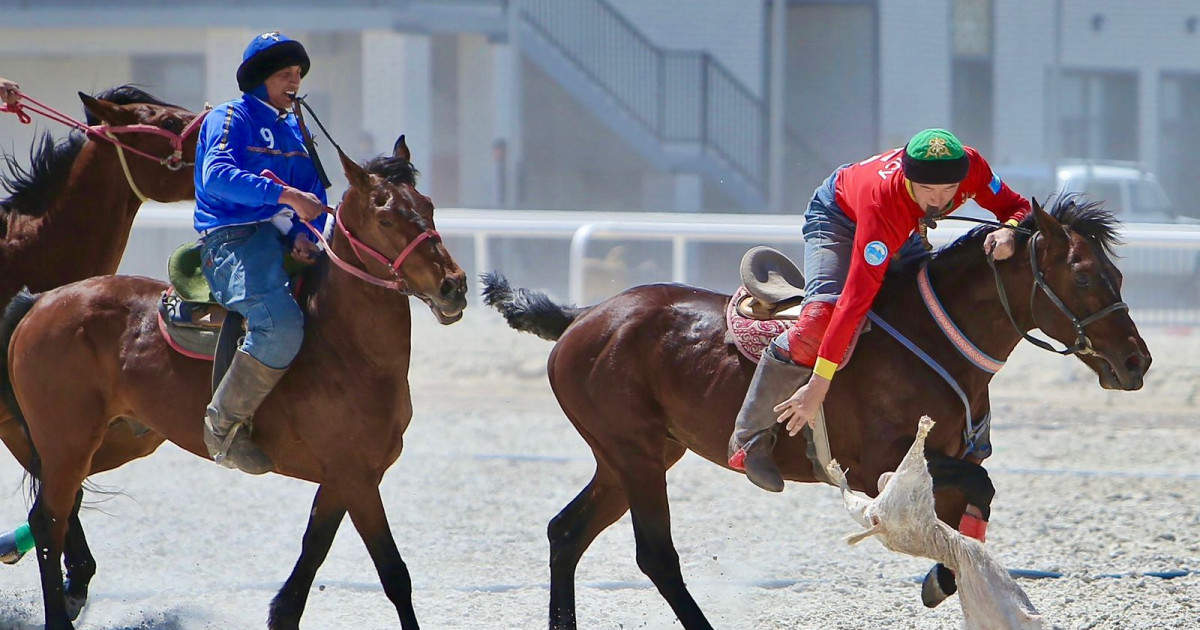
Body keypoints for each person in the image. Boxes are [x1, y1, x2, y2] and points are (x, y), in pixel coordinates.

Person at [728, 128, 1031, 493]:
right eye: (928, 191)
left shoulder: (973, 166)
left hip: (903, 227)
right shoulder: (882, 203)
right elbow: (854, 302)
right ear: (907, 178)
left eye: (949, 191)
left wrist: (1010, 231)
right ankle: (748, 437)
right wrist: (818, 387)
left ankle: (969, 423)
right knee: (820, 321)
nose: (938, 201)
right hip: (841, 217)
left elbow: (1019, 208)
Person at [194, 31, 330, 474]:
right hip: (231, 239)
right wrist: (283, 195)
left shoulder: (297, 129)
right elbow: (215, 176)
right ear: (259, 79)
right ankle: (224, 426)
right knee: (281, 324)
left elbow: (313, 194)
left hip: (282, 239)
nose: (294, 81)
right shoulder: (230, 116)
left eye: (298, 74)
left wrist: (307, 235)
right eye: (284, 74)